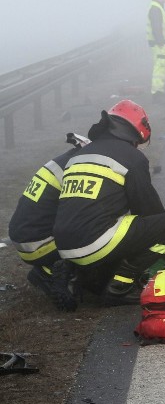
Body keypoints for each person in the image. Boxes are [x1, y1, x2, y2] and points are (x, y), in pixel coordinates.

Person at [52, 100, 165, 306]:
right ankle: (122, 285)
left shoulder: (79, 155)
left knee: (122, 227)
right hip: (95, 243)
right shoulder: (131, 156)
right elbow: (150, 212)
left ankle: (81, 275)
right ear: (136, 133)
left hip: (64, 246)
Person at [8, 133, 89, 311]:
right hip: (41, 244)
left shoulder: (59, 163)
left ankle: (45, 270)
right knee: (91, 232)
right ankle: (55, 275)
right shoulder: (75, 170)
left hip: (24, 241)